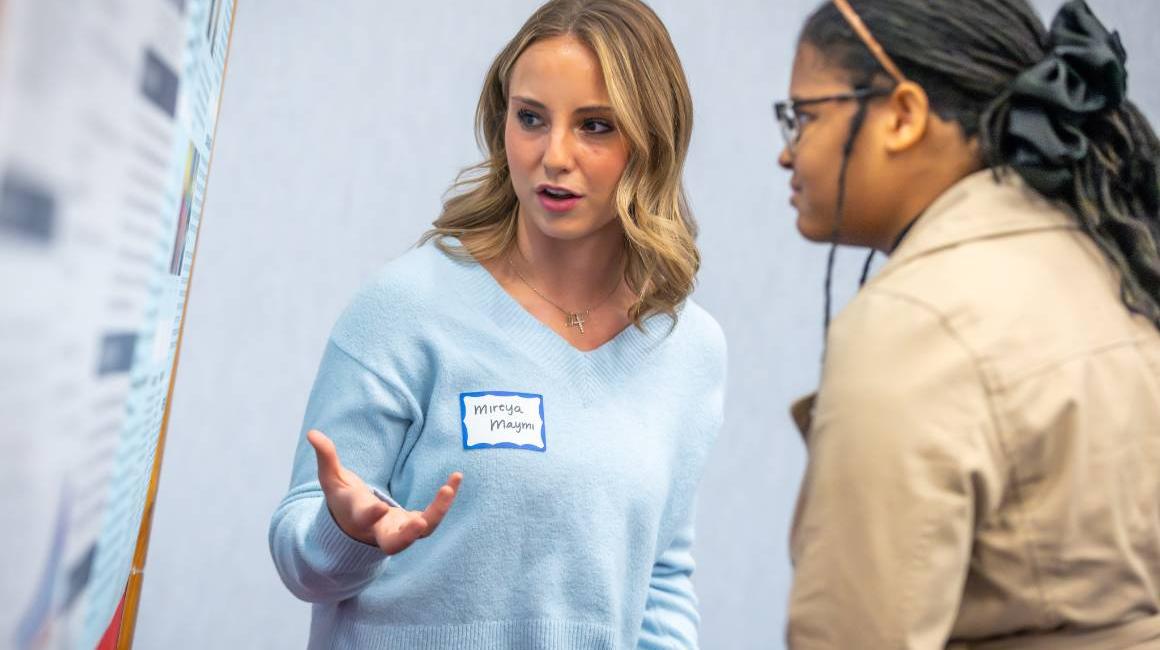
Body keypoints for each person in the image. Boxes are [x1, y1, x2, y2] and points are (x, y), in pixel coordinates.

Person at [268, 1, 725, 648]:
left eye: (595, 126)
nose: (553, 155)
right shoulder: (408, 306)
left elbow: (661, 576)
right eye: (531, 118)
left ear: (653, 139)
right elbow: (300, 556)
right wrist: (346, 533)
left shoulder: (690, 348)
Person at [776, 0, 1160, 647]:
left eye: (803, 117)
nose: (788, 155)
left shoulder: (916, 322)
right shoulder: (1116, 262)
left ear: (902, 116)